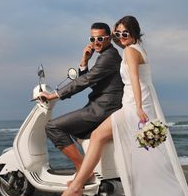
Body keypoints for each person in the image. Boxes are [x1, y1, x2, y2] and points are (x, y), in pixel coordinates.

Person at [52, 16, 188, 196]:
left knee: (99, 136)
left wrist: (139, 108)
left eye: (125, 33)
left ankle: (76, 187)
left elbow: (134, 80)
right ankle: (84, 182)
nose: (121, 37)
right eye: (118, 34)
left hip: (134, 106)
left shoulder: (130, 52)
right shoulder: (136, 49)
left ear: (134, 32)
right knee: (137, 149)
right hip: (136, 103)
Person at [38, 22, 124, 173]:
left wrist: (54, 95)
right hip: (101, 106)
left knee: (53, 127)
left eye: (100, 38)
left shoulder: (108, 57)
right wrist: (84, 62)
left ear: (109, 38)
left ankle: (83, 170)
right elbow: (94, 83)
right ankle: (95, 167)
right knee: (73, 130)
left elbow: (85, 81)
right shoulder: (106, 55)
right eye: (92, 39)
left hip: (102, 109)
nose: (95, 42)